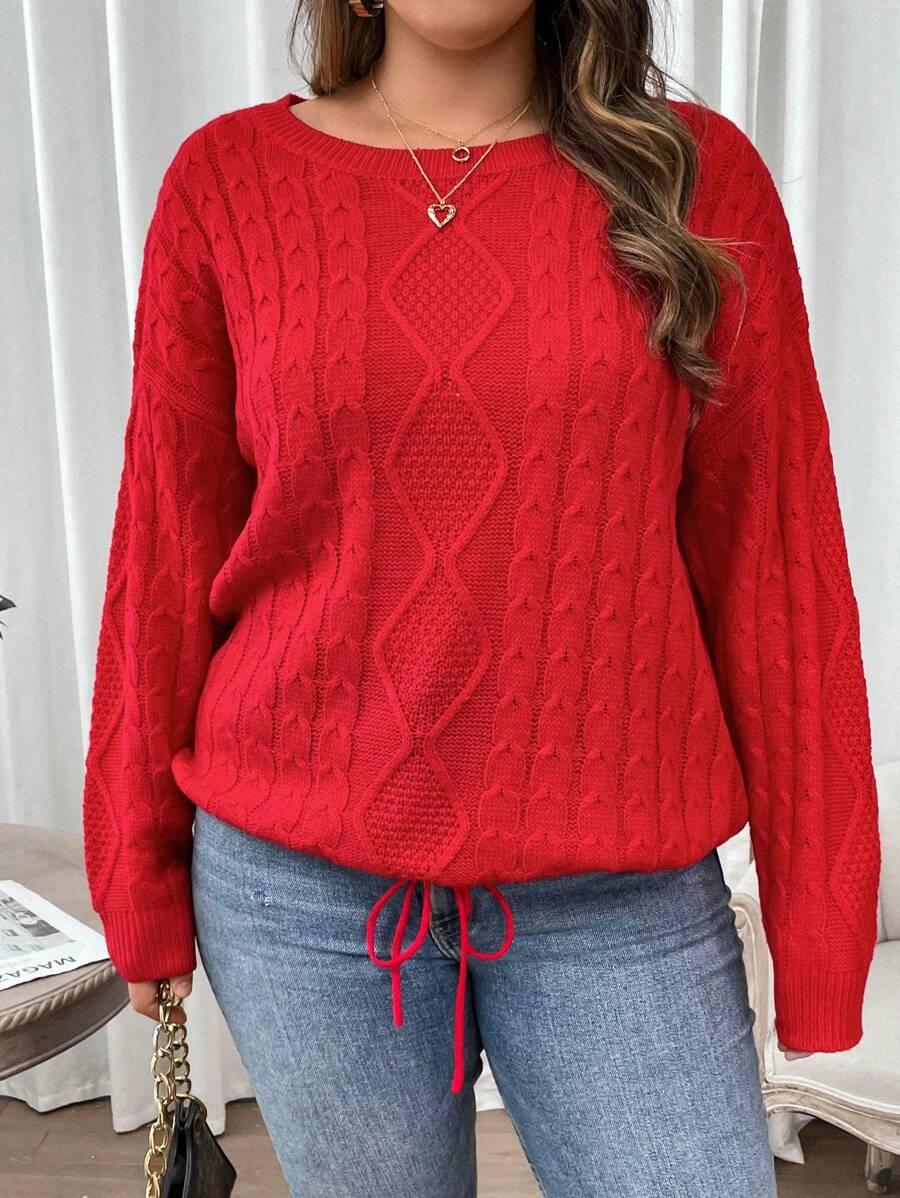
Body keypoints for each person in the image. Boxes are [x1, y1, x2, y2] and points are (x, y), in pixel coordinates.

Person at [81, 1, 882, 1194]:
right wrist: (135, 871)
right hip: (300, 891)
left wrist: (821, 921)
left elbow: (777, 561)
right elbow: (163, 544)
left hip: (620, 888)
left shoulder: (695, 180)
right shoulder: (228, 182)